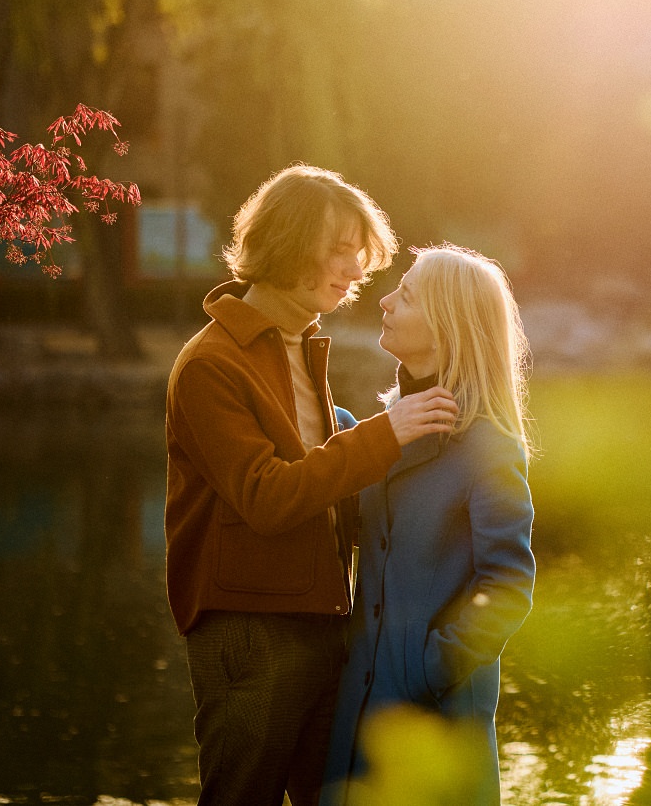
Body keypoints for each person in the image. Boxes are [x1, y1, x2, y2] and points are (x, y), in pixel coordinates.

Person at [164, 164, 459, 806]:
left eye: (360, 253)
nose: (357, 271)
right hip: (250, 629)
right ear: (288, 243)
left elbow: (324, 485)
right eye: (340, 250)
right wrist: (385, 435)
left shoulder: (299, 345)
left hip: (321, 618)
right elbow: (268, 497)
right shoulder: (211, 365)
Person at [321, 244, 537, 806]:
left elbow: (509, 585)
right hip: (359, 714)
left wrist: (430, 666)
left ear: (447, 326)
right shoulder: (385, 430)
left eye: (407, 295)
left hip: (439, 720)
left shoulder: (489, 446)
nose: (386, 302)